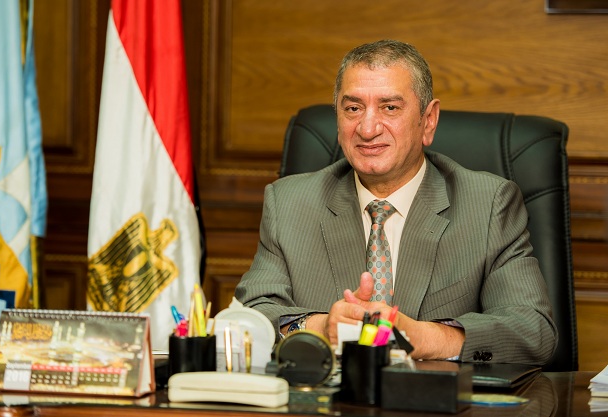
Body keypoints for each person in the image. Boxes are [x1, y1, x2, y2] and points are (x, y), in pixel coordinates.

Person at [234, 39, 557, 364]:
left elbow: (532, 330)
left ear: (428, 120)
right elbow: (250, 315)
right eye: (353, 108)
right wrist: (320, 327)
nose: (367, 128)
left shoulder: (488, 205)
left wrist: (423, 337)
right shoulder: (289, 203)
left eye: (389, 107)